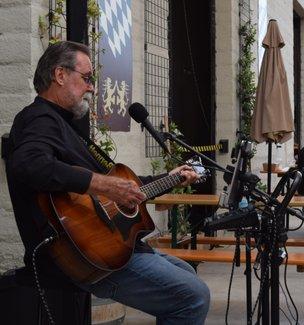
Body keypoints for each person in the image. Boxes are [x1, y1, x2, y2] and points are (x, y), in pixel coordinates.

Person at [5, 41, 210, 324]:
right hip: (81, 258)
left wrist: (171, 178)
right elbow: (28, 165)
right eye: (87, 78)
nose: (92, 87)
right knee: (192, 296)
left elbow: (124, 188)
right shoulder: (39, 119)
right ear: (60, 75)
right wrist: (102, 185)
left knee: (187, 276)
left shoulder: (66, 127)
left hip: (110, 250)